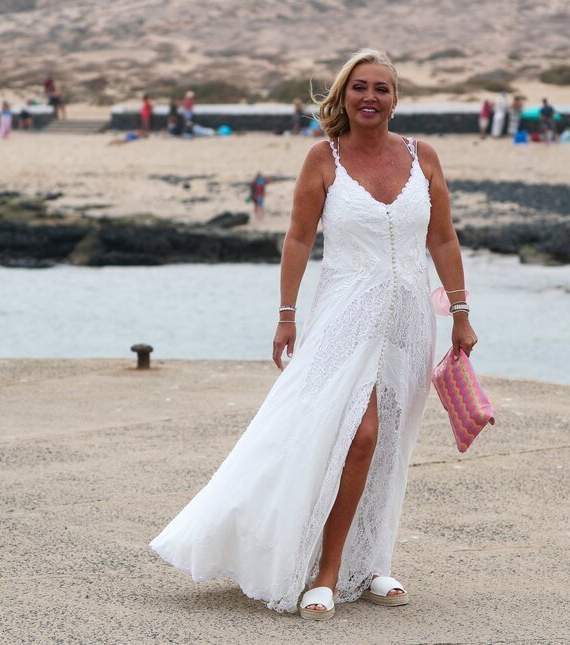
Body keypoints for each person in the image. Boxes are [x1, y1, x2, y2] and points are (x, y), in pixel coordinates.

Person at [149, 48, 477, 619]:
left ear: (396, 100)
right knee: (359, 434)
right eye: (359, 88)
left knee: (391, 441)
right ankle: (324, 573)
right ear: (342, 96)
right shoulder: (322, 158)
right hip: (345, 316)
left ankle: (370, 563)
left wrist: (461, 313)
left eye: (381, 88)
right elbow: (299, 239)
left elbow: (443, 240)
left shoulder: (422, 157)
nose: (369, 97)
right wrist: (285, 315)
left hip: (408, 321)